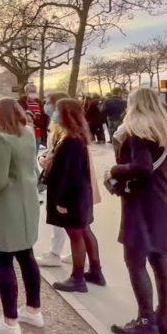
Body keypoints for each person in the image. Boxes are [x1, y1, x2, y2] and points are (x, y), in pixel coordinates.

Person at [106, 88, 167, 334]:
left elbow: (142, 168)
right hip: (164, 204)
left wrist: (114, 170)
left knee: (135, 261)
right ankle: (166, 323)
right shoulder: (165, 134)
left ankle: (145, 322)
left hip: (141, 206)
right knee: (162, 264)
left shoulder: (137, 134)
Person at [0, 98, 44, 334]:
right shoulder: (27, 133)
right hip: (27, 204)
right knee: (27, 257)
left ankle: (9, 322)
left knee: (4, 262)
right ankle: (33, 310)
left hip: (6, 209)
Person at [44, 98, 105, 292]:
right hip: (80, 196)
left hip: (72, 197)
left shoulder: (70, 140)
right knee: (85, 230)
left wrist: (62, 201)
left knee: (75, 235)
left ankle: (77, 277)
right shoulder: (77, 136)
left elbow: (70, 174)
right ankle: (95, 271)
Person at [37, 91, 72, 268]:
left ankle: (55, 252)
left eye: (49, 103)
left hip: (62, 182)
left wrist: (48, 161)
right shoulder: (61, 127)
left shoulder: (66, 131)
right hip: (62, 180)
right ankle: (70, 252)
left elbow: (62, 157)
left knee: (61, 219)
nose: (46, 106)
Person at [19, 83, 48, 148]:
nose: (33, 93)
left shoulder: (39, 103)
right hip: (26, 132)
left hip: (38, 133)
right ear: (26, 92)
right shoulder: (21, 103)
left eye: (34, 92)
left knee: (35, 151)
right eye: (31, 92)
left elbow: (43, 118)